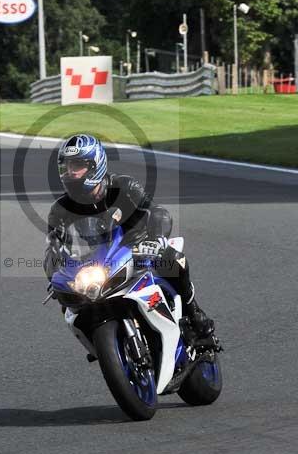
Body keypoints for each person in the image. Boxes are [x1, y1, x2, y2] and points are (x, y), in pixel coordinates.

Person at [43, 133, 216, 338]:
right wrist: (56, 273)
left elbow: (158, 213)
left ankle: (193, 310)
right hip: (102, 265)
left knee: (174, 260)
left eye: (77, 166)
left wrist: (156, 239)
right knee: (70, 305)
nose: (71, 173)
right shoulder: (60, 210)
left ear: (94, 166)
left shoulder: (123, 187)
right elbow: (53, 248)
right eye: (67, 167)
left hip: (140, 252)